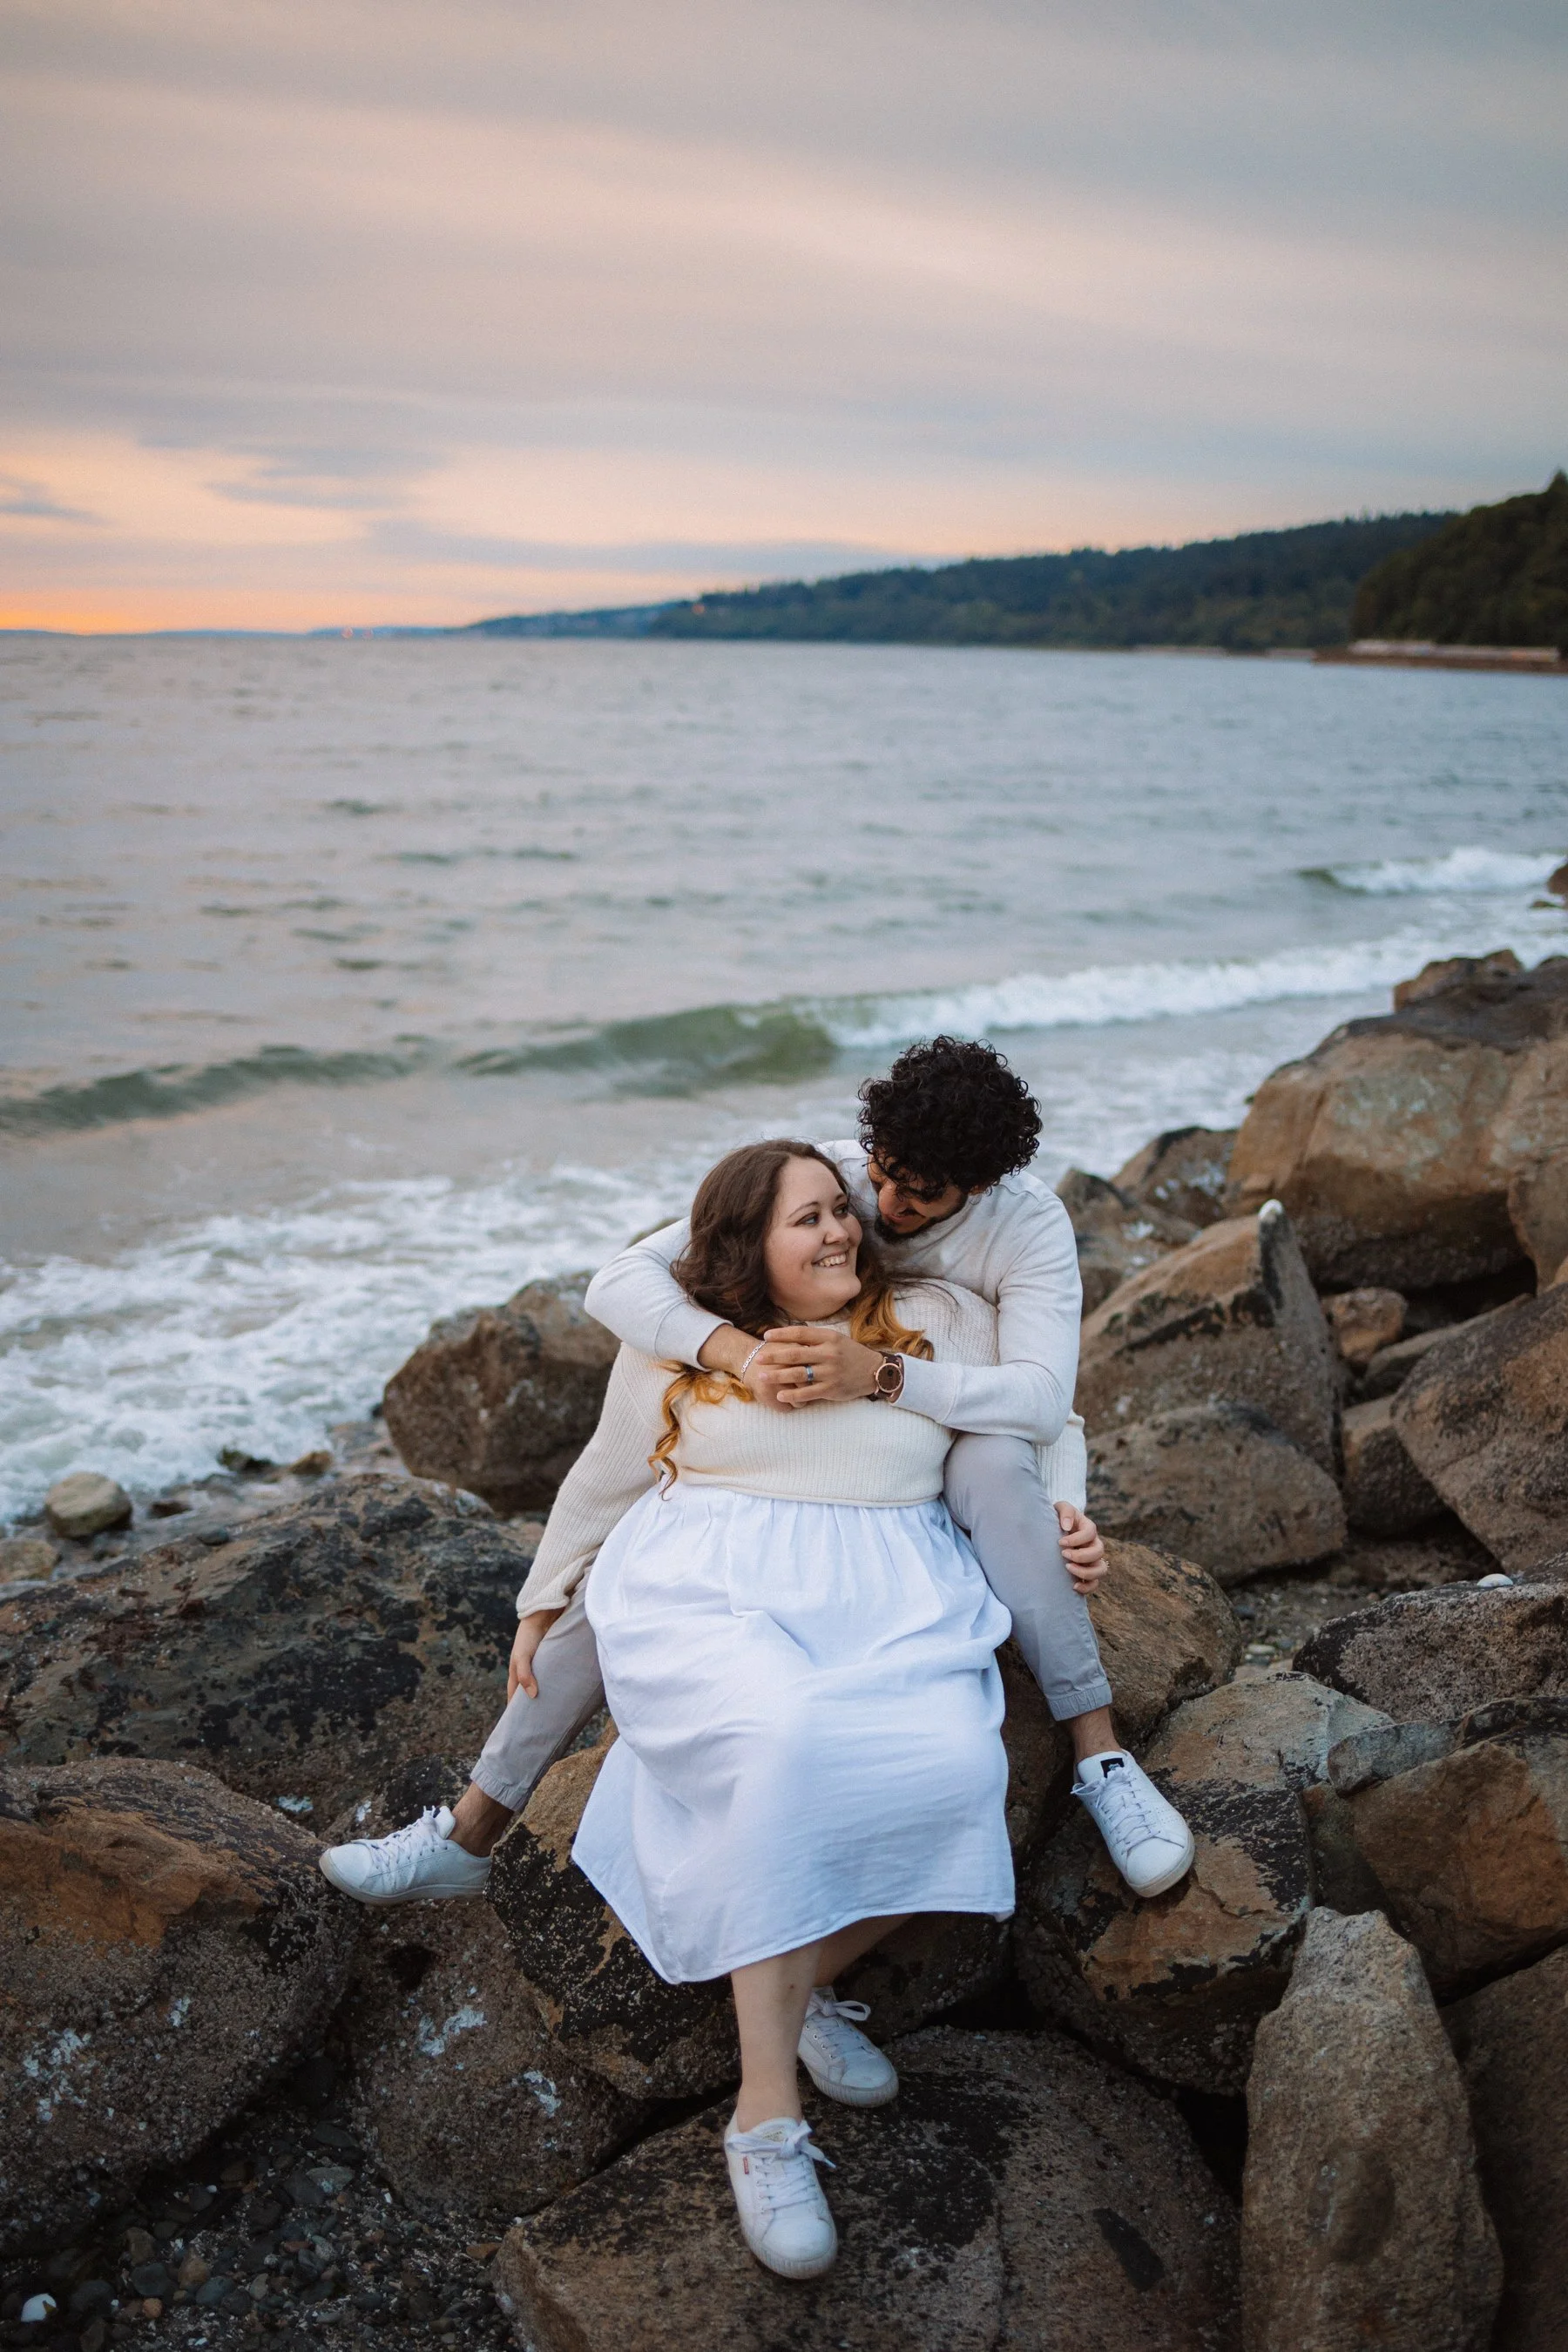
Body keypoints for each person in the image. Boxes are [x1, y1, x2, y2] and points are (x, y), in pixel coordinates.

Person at [321, 1039, 1191, 1912]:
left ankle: (1100, 1757)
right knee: (640, 1558)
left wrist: (1045, 1491)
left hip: (921, 1448)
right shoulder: (822, 1185)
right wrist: (548, 1587)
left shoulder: (1011, 1245)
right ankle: (468, 1834)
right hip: (761, 1491)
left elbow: (1044, 1402)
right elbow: (623, 1304)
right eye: (879, 1177)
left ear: (980, 1184)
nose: (880, 1210)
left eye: (919, 1195)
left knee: (1001, 1473)